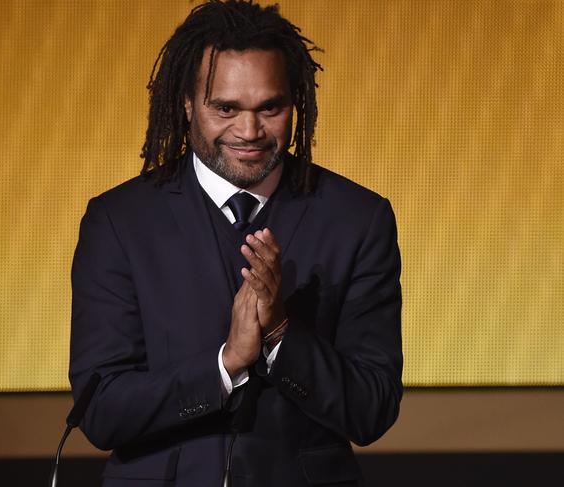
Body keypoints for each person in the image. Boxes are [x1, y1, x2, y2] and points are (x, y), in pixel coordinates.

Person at [69, 1, 403, 485]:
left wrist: (281, 335)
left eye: (270, 107)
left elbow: (372, 410)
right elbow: (100, 410)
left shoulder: (358, 219)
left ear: (297, 102)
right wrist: (225, 365)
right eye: (225, 108)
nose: (249, 132)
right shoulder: (119, 222)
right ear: (186, 104)